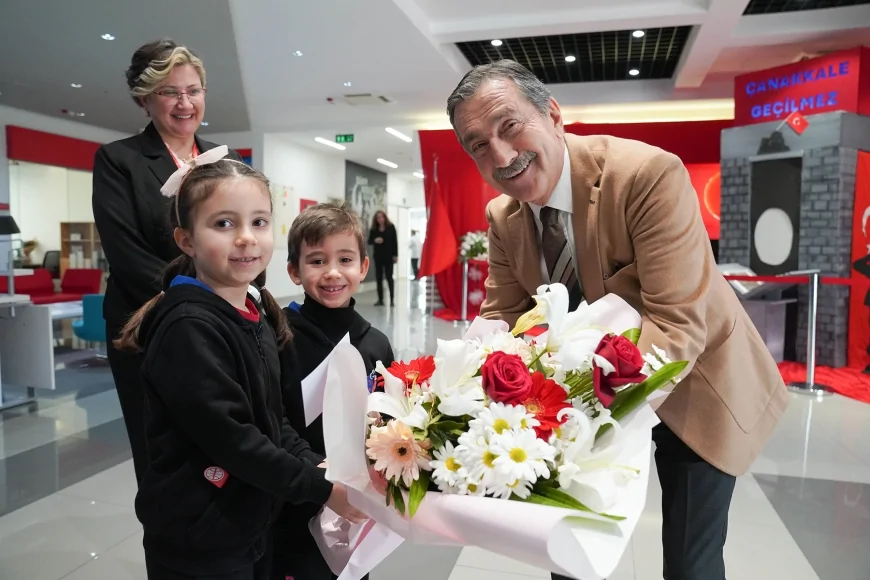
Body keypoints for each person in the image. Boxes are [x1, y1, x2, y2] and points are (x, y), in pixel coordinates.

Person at [446, 59, 789, 580]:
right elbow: (503, 314)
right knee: (569, 552)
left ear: (552, 114)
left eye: (510, 126)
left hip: (694, 383)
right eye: (478, 145)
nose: (502, 155)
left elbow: (676, 326)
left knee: (691, 562)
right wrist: (459, 389)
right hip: (583, 398)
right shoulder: (502, 217)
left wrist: (587, 418)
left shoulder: (646, 176)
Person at [114, 154, 366, 580]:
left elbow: (271, 418)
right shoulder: (188, 327)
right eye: (224, 223)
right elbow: (234, 441)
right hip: (199, 537)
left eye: (259, 222)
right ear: (186, 240)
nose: (247, 238)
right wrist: (322, 489)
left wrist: (315, 463)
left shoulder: (254, 311)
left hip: (248, 522)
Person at [92, 38, 242, 484]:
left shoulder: (225, 161)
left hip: (223, 324)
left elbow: (243, 238)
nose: (184, 103)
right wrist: (198, 303)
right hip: (147, 324)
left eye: (193, 91)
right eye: (169, 92)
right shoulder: (119, 160)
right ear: (144, 99)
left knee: (220, 441)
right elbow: (126, 254)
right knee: (159, 453)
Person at [271, 202, 394, 580]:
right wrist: (317, 470)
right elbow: (274, 418)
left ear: (363, 267)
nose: (332, 272)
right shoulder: (279, 336)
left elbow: (387, 422)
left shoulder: (375, 344)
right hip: (295, 491)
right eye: (317, 261)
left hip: (357, 499)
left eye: (345, 259)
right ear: (294, 271)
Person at [368, 210, 398, 306]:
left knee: (389, 277)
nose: (380, 219)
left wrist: (395, 255)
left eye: (381, 217)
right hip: (378, 256)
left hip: (389, 256)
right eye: (378, 218)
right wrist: (375, 240)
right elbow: (369, 241)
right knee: (379, 277)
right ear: (376, 219)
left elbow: (395, 242)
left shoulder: (391, 227)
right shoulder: (374, 229)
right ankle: (380, 300)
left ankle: (392, 300)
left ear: (385, 218)